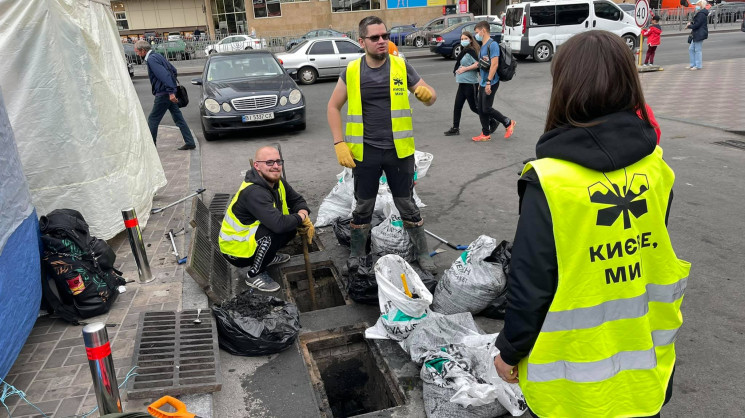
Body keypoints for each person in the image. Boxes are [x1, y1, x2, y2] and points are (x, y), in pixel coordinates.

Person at [492, 31, 689, 417]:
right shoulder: (656, 169)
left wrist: (509, 351)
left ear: (564, 87)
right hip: (644, 370)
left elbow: (531, 284)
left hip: (572, 386)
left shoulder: (550, 182)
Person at [327, 16, 439, 274]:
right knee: (363, 205)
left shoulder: (401, 66)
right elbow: (333, 107)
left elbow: (430, 96)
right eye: (375, 38)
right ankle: (357, 254)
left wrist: (427, 95)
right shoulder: (353, 71)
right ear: (362, 41)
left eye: (385, 36)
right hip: (365, 152)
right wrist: (338, 143)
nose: (381, 41)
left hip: (399, 151)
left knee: (407, 204)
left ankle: (422, 252)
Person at [219, 146, 314, 292]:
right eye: (269, 162)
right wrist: (301, 217)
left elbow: (297, 200)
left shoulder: (277, 181)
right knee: (276, 229)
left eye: (278, 162)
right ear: (256, 166)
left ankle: (267, 257)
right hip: (236, 251)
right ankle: (254, 274)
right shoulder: (254, 192)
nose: (275, 166)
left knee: (289, 226)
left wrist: (302, 213)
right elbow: (279, 225)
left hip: (251, 241)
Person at [134, 40, 196, 150]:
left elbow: (165, 75)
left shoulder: (152, 59)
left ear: (143, 50)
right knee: (178, 118)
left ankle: (151, 148)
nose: (137, 54)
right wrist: (171, 89)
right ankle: (190, 141)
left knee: (153, 119)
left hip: (163, 94)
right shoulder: (157, 55)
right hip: (168, 93)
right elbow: (173, 70)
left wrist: (170, 92)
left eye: (137, 51)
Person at [472, 20, 515, 142]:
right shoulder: (483, 46)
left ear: (483, 30)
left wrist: (489, 82)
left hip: (492, 81)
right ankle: (485, 134)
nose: (476, 35)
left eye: (477, 32)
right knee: (480, 109)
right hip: (484, 82)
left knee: (486, 108)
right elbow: (483, 66)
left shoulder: (493, 45)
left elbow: (494, 65)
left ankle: (508, 122)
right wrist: (482, 82)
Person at [444, 32, 480, 136]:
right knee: (457, 106)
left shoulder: (471, 51)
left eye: (465, 38)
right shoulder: (464, 51)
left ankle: (492, 120)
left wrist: (465, 68)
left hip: (470, 84)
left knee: (475, 107)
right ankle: (455, 128)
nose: (463, 40)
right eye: (462, 38)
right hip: (462, 84)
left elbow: (478, 64)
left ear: (470, 40)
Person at [686, 0, 708, 70]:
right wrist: (691, 24)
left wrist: (689, 26)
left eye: (697, 4)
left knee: (697, 50)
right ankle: (693, 64)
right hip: (697, 33)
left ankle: (698, 65)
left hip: (699, 33)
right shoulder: (700, 13)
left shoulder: (701, 14)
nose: (696, 6)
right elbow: (697, 23)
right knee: (691, 49)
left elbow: (697, 25)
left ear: (701, 5)